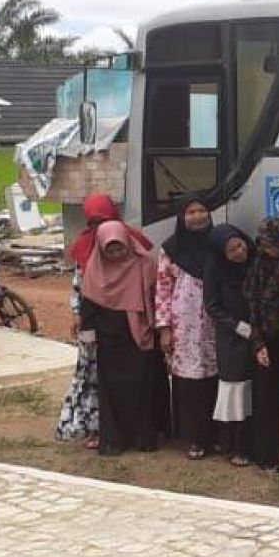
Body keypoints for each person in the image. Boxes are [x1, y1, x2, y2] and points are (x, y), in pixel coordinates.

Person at [57, 193, 152, 449]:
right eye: (94, 220)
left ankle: (140, 432)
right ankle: (97, 427)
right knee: (95, 377)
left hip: (134, 327)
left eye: (104, 218)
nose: (99, 226)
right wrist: (80, 315)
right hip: (100, 326)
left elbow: (149, 283)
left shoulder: (130, 240)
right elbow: (81, 286)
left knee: (137, 380)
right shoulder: (85, 247)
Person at [78, 221, 158, 456]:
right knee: (111, 392)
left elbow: (156, 295)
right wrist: (89, 335)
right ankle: (114, 439)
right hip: (108, 341)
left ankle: (143, 437)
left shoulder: (144, 263)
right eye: (110, 250)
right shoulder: (94, 269)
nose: (115, 254)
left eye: (120, 248)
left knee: (141, 388)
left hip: (138, 336)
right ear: (101, 249)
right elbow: (88, 306)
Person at [155, 194, 218, 460]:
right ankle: (195, 439)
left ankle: (218, 436)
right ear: (181, 217)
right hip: (185, 326)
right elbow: (162, 290)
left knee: (217, 379)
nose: (197, 216)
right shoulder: (170, 249)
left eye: (202, 210)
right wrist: (165, 328)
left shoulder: (220, 244)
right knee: (190, 384)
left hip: (217, 324)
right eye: (190, 212)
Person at [204, 224, 257, 467]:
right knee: (234, 390)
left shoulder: (254, 262)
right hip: (232, 338)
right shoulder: (215, 269)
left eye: (239, 244)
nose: (239, 251)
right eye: (231, 250)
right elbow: (212, 306)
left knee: (253, 390)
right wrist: (238, 326)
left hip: (258, 336)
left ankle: (250, 444)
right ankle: (233, 446)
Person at [244, 217, 279, 472]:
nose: (270, 248)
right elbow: (251, 309)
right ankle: (265, 455)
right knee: (265, 399)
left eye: (274, 243)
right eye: (265, 243)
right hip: (264, 344)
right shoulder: (257, 268)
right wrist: (257, 343)